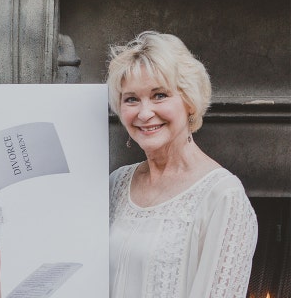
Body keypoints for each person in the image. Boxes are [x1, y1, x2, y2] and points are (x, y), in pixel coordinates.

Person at [106, 31, 258, 298]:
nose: (144, 113)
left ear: (189, 101)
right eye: (131, 99)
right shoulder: (116, 184)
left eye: (159, 95)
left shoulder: (223, 196)